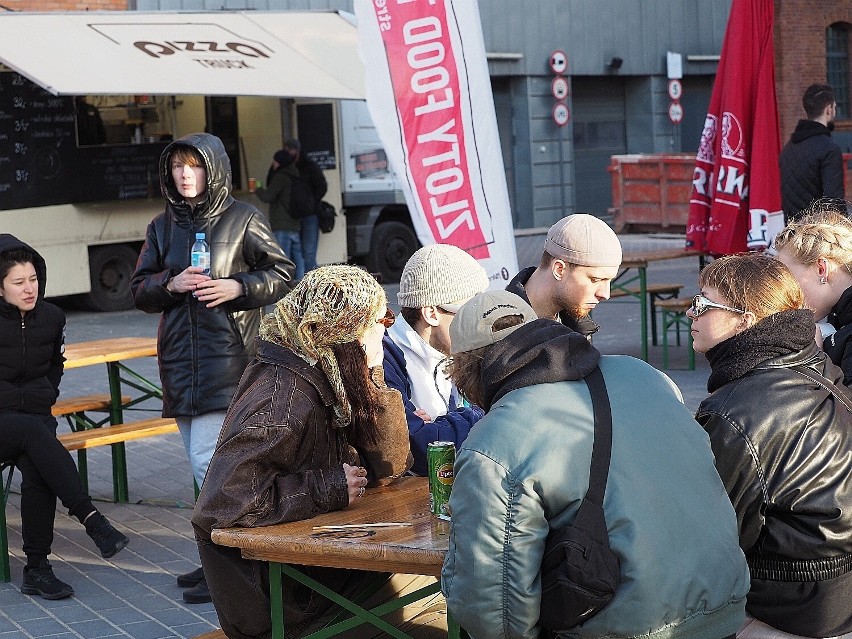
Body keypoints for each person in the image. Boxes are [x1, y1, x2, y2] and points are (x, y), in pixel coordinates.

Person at [441, 290, 749, 639]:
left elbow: (492, 609)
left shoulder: (494, 440)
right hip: (725, 606)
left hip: (630, 628)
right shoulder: (647, 375)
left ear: (465, 370)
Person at [192, 265, 447, 639]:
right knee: (445, 600)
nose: (386, 330)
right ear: (348, 332)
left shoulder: (324, 372)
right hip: (285, 606)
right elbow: (222, 504)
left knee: (451, 585)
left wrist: (374, 375)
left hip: (316, 577)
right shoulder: (283, 398)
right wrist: (325, 488)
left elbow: (391, 465)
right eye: (381, 320)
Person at [130, 133, 293, 605]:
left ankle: (238, 563)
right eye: (177, 167)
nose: (184, 175)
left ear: (213, 170)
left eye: (194, 166)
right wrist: (170, 281)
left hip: (232, 359)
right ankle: (216, 558)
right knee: (205, 470)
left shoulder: (243, 218)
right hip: (179, 363)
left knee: (213, 463)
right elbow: (139, 290)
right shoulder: (162, 227)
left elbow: (284, 273)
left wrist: (237, 287)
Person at [689, 253, 852, 639]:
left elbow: (713, 537)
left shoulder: (735, 411)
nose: (690, 314)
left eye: (702, 304)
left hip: (796, 603)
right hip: (837, 585)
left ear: (746, 319)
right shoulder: (815, 365)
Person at [0, 234, 129, 600]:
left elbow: (55, 366)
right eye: (19, 282)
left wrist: (46, 395)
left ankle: (37, 570)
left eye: (33, 280)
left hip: (35, 421)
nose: (29, 289)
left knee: (38, 467)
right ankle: (91, 519)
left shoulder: (53, 317)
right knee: (32, 433)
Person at [383, 244, 490, 475]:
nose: (477, 325)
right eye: (468, 313)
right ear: (431, 313)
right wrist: (485, 414)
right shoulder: (385, 357)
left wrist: (441, 424)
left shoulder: (462, 347)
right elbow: (422, 449)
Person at [506, 213, 622, 337]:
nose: (605, 294)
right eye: (595, 280)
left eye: (609, 281)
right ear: (559, 269)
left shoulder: (576, 327)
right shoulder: (496, 328)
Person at [774, 199, 852, 382]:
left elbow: (841, 408)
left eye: (790, 279)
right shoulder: (839, 319)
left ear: (821, 269)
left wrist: (813, 360)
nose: (786, 291)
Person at [779, 84, 845, 222]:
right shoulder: (829, 149)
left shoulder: (788, 148)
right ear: (829, 109)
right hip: (818, 238)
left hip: (792, 237)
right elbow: (833, 207)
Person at [254, 149, 305, 281]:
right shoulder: (296, 174)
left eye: (275, 160)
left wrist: (257, 189)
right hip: (295, 222)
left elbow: (268, 196)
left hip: (282, 223)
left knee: (283, 259)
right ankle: (301, 286)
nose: (273, 163)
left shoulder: (280, 177)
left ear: (280, 162)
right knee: (298, 258)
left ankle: (286, 288)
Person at [284, 138, 327, 274]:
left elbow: (322, 186)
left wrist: (311, 203)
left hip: (307, 214)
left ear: (296, 150)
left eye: (289, 149)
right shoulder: (288, 166)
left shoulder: (309, 165)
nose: (288, 152)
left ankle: (312, 286)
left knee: (307, 253)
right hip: (294, 215)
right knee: (299, 253)